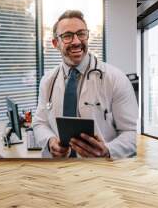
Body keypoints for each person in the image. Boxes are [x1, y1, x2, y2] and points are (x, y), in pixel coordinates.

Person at [33, 10, 138, 159]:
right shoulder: (47, 81)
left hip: (100, 172)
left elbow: (133, 133)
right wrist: (50, 142)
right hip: (58, 170)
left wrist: (108, 150)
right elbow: (39, 123)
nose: (76, 41)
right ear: (56, 43)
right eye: (67, 36)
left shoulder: (115, 78)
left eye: (81, 34)